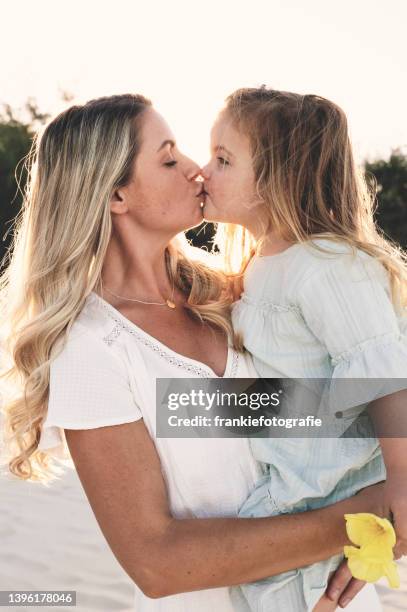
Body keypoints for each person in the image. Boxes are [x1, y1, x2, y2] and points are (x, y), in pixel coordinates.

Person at [0, 94, 387, 612]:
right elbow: (156, 563)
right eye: (167, 157)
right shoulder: (91, 350)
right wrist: (364, 519)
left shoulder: (239, 295)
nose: (194, 170)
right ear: (116, 195)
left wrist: (386, 518)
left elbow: (353, 405)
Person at [201, 86, 407, 611]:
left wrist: (404, 480)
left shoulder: (329, 264)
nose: (204, 171)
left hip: (320, 490)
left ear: (277, 179)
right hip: (287, 485)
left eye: (223, 160)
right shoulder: (265, 260)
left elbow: (382, 373)